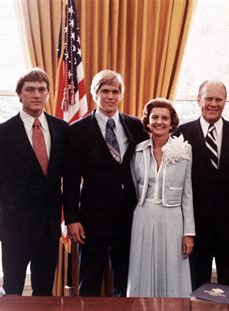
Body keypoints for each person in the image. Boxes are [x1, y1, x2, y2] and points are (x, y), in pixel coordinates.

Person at [0, 68, 68, 296]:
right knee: (13, 290)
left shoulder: (61, 129)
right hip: (15, 227)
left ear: (48, 94)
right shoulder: (2, 132)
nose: (37, 94)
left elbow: (67, 176)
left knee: (44, 292)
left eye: (42, 89)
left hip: (49, 228)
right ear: (19, 94)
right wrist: (11, 205)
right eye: (30, 89)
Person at [63, 70, 148, 296]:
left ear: (120, 94)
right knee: (90, 281)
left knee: (126, 280)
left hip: (129, 216)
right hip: (92, 218)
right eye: (105, 91)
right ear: (94, 94)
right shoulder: (77, 130)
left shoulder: (136, 126)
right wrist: (72, 218)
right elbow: (70, 179)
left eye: (115, 91)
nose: (110, 96)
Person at [175, 81, 229, 289]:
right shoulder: (182, 133)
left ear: (225, 102)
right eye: (209, 98)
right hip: (196, 223)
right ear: (199, 100)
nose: (213, 104)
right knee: (197, 283)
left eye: (219, 99)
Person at [127, 98, 195, 297]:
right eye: (154, 117)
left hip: (173, 219)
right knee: (143, 267)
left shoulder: (184, 150)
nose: (159, 122)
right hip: (143, 216)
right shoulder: (137, 151)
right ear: (147, 121)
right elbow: (132, 187)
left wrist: (189, 232)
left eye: (165, 118)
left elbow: (187, 193)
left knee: (172, 267)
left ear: (172, 123)